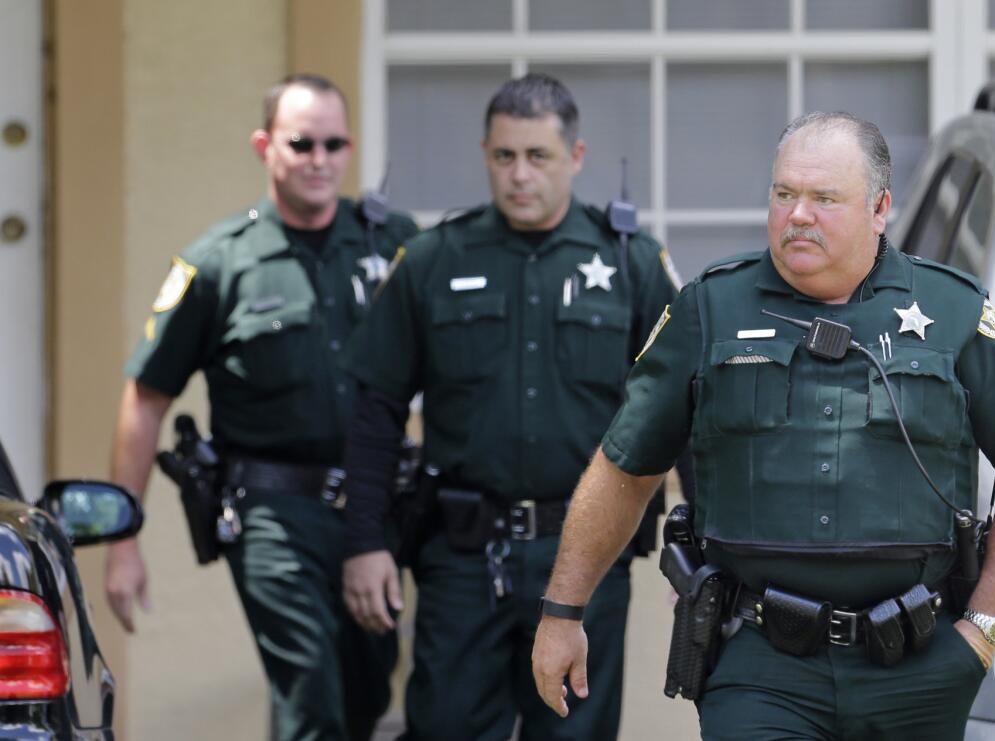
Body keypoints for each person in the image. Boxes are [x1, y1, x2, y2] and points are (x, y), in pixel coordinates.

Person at [532, 111, 995, 740]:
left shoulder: (949, 308)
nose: (797, 215)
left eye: (824, 199)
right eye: (784, 194)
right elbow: (625, 468)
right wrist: (562, 612)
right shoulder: (711, 308)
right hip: (762, 664)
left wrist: (983, 631)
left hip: (917, 665)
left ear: (879, 209)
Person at [339, 73, 682, 741]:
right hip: (464, 556)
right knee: (443, 727)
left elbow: (688, 408)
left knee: (574, 731)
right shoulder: (434, 259)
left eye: (538, 157)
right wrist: (365, 543)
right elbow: (375, 411)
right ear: (485, 155)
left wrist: (705, 548)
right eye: (504, 157)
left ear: (575, 158)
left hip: (585, 554)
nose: (519, 175)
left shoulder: (632, 264)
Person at [104, 73, 419, 741]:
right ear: (264, 146)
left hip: (374, 506)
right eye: (302, 142)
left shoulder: (391, 242)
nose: (320, 160)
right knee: (309, 691)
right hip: (272, 512)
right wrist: (123, 538)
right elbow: (146, 396)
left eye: (336, 144)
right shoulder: (219, 262)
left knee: (365, 690)